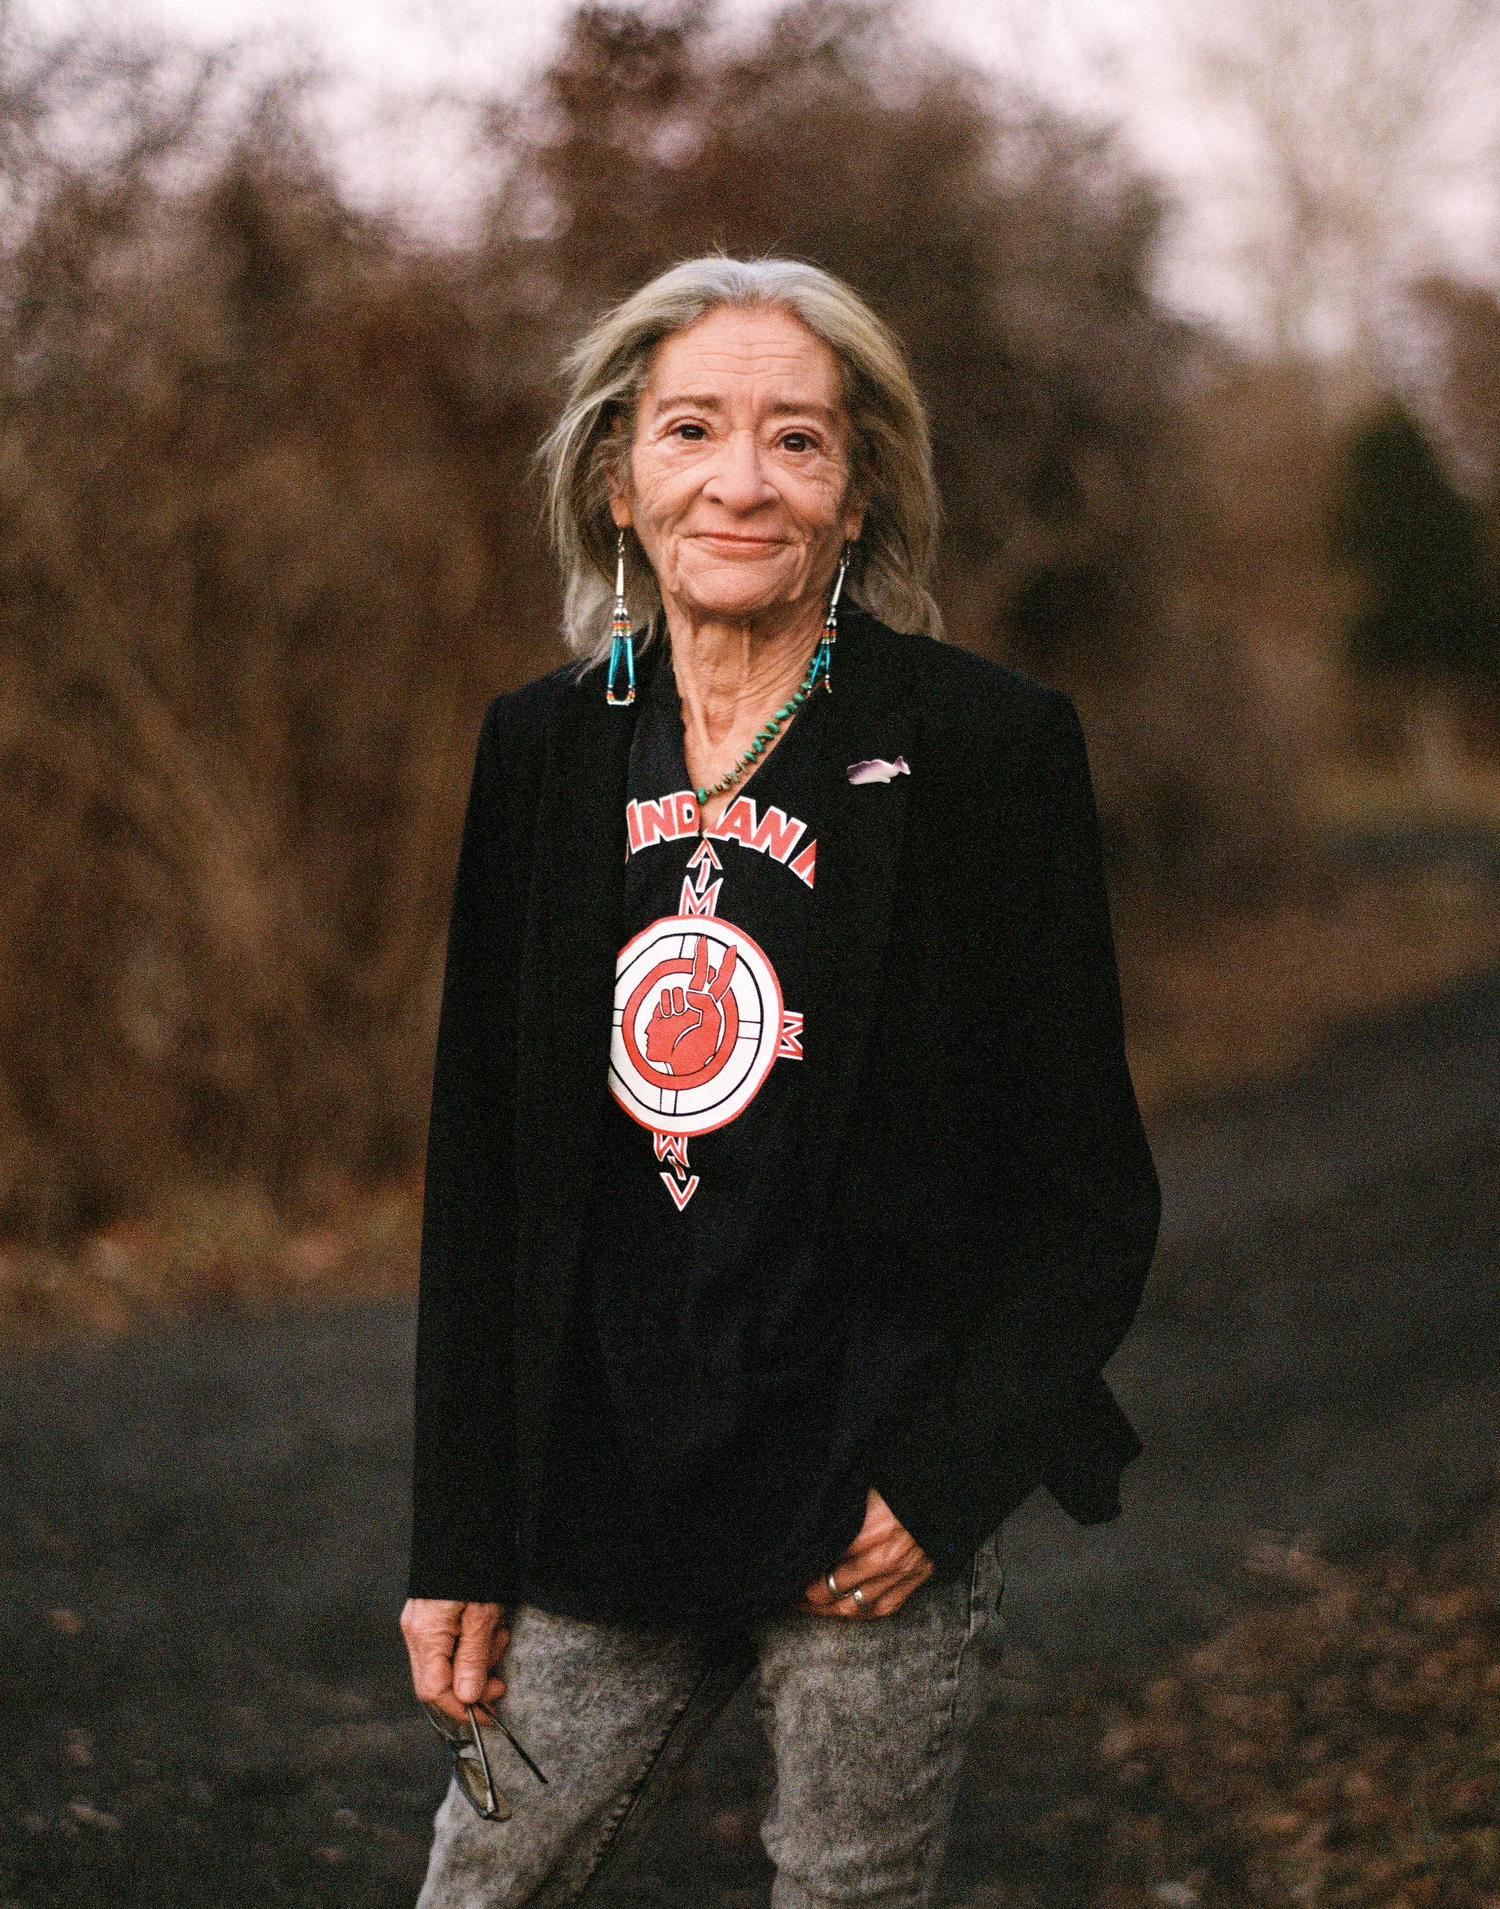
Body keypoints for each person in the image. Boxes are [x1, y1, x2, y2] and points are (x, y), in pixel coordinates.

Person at [400, 256, 1160, 1909]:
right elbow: (484, 1176)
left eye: (797, 441)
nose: (740, 480)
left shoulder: (980, 746)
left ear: (860, 487)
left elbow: (1090, 1192)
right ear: (619, 476)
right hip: (602, 1483)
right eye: (692, 429)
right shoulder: (546, 744)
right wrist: (456, 1538)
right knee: (479, 1888)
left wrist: (946, 1479)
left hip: (865, 1500)